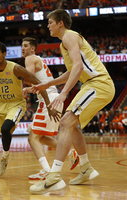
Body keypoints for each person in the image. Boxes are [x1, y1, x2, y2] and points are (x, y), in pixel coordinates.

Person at [30, 9, 115, 194]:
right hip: (91, 84)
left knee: (65, 122)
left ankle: (54, 177)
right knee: (71, 124)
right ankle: (85, 168)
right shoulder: (65, 42)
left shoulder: (69, 36)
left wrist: (64, 93)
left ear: (60, 23)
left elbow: (78, 66)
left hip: (98, 83)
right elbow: (71, 70)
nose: (47, 25)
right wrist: (49, 84)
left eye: (50, 22)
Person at [0, 41, 60, 176]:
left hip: (16, 104)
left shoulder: (16, 68)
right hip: (0, 104)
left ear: (5, 54)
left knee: (6, 128)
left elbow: (38, 83)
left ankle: (5, 157)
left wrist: (48, 105)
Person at [21, 37, 79, 181]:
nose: (23, 48)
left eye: (26, 46)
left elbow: (27, 76)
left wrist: (14, 77)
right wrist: (28, 90)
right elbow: (37, 83)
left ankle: (46, 171)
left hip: (49, 100)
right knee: (40, 137)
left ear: (32, 49)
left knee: (32, 138)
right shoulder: (38, 60)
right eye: (22, 46)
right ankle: (71, 152)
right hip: (52, 98)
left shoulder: (30, 58)